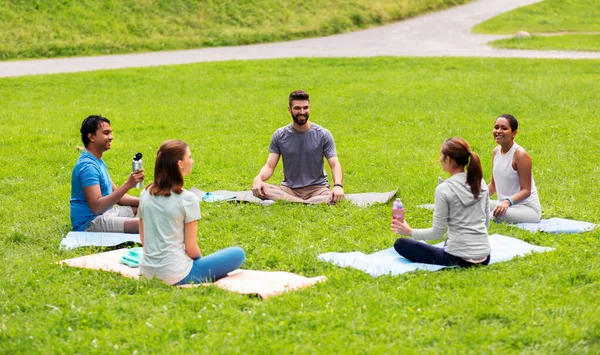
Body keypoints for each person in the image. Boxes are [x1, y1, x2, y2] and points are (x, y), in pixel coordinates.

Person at [138, 140, 245, 285]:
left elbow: (144, 241)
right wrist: (200, 266)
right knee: (238, 254)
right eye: (189, 157)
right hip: (176, 276)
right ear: (180, 164)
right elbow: (191, 248)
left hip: (146, 273)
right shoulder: (187, 199)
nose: (192, 161)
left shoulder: (144, 194)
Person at [392, 138, 491, 267]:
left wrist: (409, 231)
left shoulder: (444, 189)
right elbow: (486, 223)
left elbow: (437, 233)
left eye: (441, 155)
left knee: (400, 244)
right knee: (450, 239)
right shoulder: (481, 182)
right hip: (484, 257)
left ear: (448, 159)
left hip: (457, 259)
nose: (439, 159)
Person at [252, 89, 344, 204]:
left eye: (305, 108)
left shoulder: (323, 134)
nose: (302, 112)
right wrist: (258, 178)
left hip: (318, 190)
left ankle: (294, 202)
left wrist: (338, 186)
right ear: (289, 109)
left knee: (332, 196)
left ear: (309, 108)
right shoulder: (280, 135)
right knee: (261, 189)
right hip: (289, 189)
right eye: (297, 108)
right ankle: (306, 203)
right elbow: (270, 166)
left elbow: (334, 164)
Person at [70, 115, 144, 233]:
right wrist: (128, 184)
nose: (111, 137)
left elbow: (117, 197)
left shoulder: (97, 160)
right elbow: (97, 207)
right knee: (148, 223)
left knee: (148, 209)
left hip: (107, 212)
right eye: (106, 133)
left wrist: (147, 201)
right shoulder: (88, 166)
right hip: (90, 222)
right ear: (91, 137)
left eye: (110, 133)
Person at [488, 114, 542, 223]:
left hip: (527, 209)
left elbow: (526, 190)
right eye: (496, 127)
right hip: (503, 205)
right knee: (475, 205)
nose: (498, 131)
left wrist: (508, 202)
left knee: (495, 215)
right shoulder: (496, 151)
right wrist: (477, 197)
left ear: (514, 133)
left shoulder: (520, 155)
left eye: (504, 128)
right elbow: (493, 185)